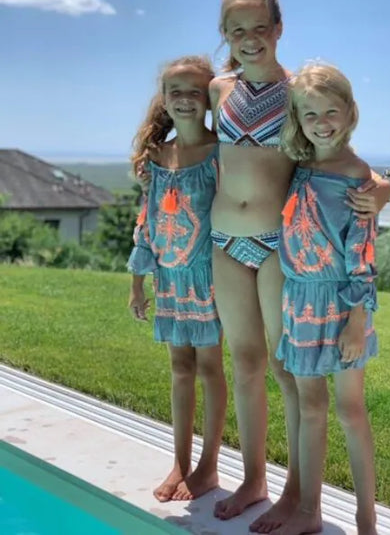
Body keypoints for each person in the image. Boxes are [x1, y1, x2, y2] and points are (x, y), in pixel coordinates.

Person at [208, 0, 390, 526]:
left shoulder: (297, 92)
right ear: (225, 35)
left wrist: (382, 188)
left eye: (259, 27)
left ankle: (297, 495)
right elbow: (193, 136)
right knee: (244, 362)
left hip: (277, 244)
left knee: (286, 369)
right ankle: (254, 479)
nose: (249, 39)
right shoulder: (219, 89)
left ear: (278, 29)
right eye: (236, 30)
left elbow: (339, 153)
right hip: (223, 238)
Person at [273, 62, 379, 535]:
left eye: (331, 111)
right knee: (310, 406)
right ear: (298, 118)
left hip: (344, 303)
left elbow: (364, 251)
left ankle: (366, 517)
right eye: (310, 113)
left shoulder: (358, 177)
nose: (321, 123)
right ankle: (308, 511)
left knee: (350, 410)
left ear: (350, 113)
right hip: (300, 301)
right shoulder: (300, 167)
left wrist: (357, 319)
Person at [128, 55, 227, 503]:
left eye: (194, 91)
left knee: (209, 368)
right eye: (176, 91)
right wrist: (137, 282)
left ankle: (209, 466)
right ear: (164, 99)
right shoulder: (157, 156)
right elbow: (147, 221)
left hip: (208, 280)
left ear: (208, 99)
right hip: (168, 280)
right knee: (180, 369)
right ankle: (180, 463)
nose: (185, 99)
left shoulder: (221, 153)